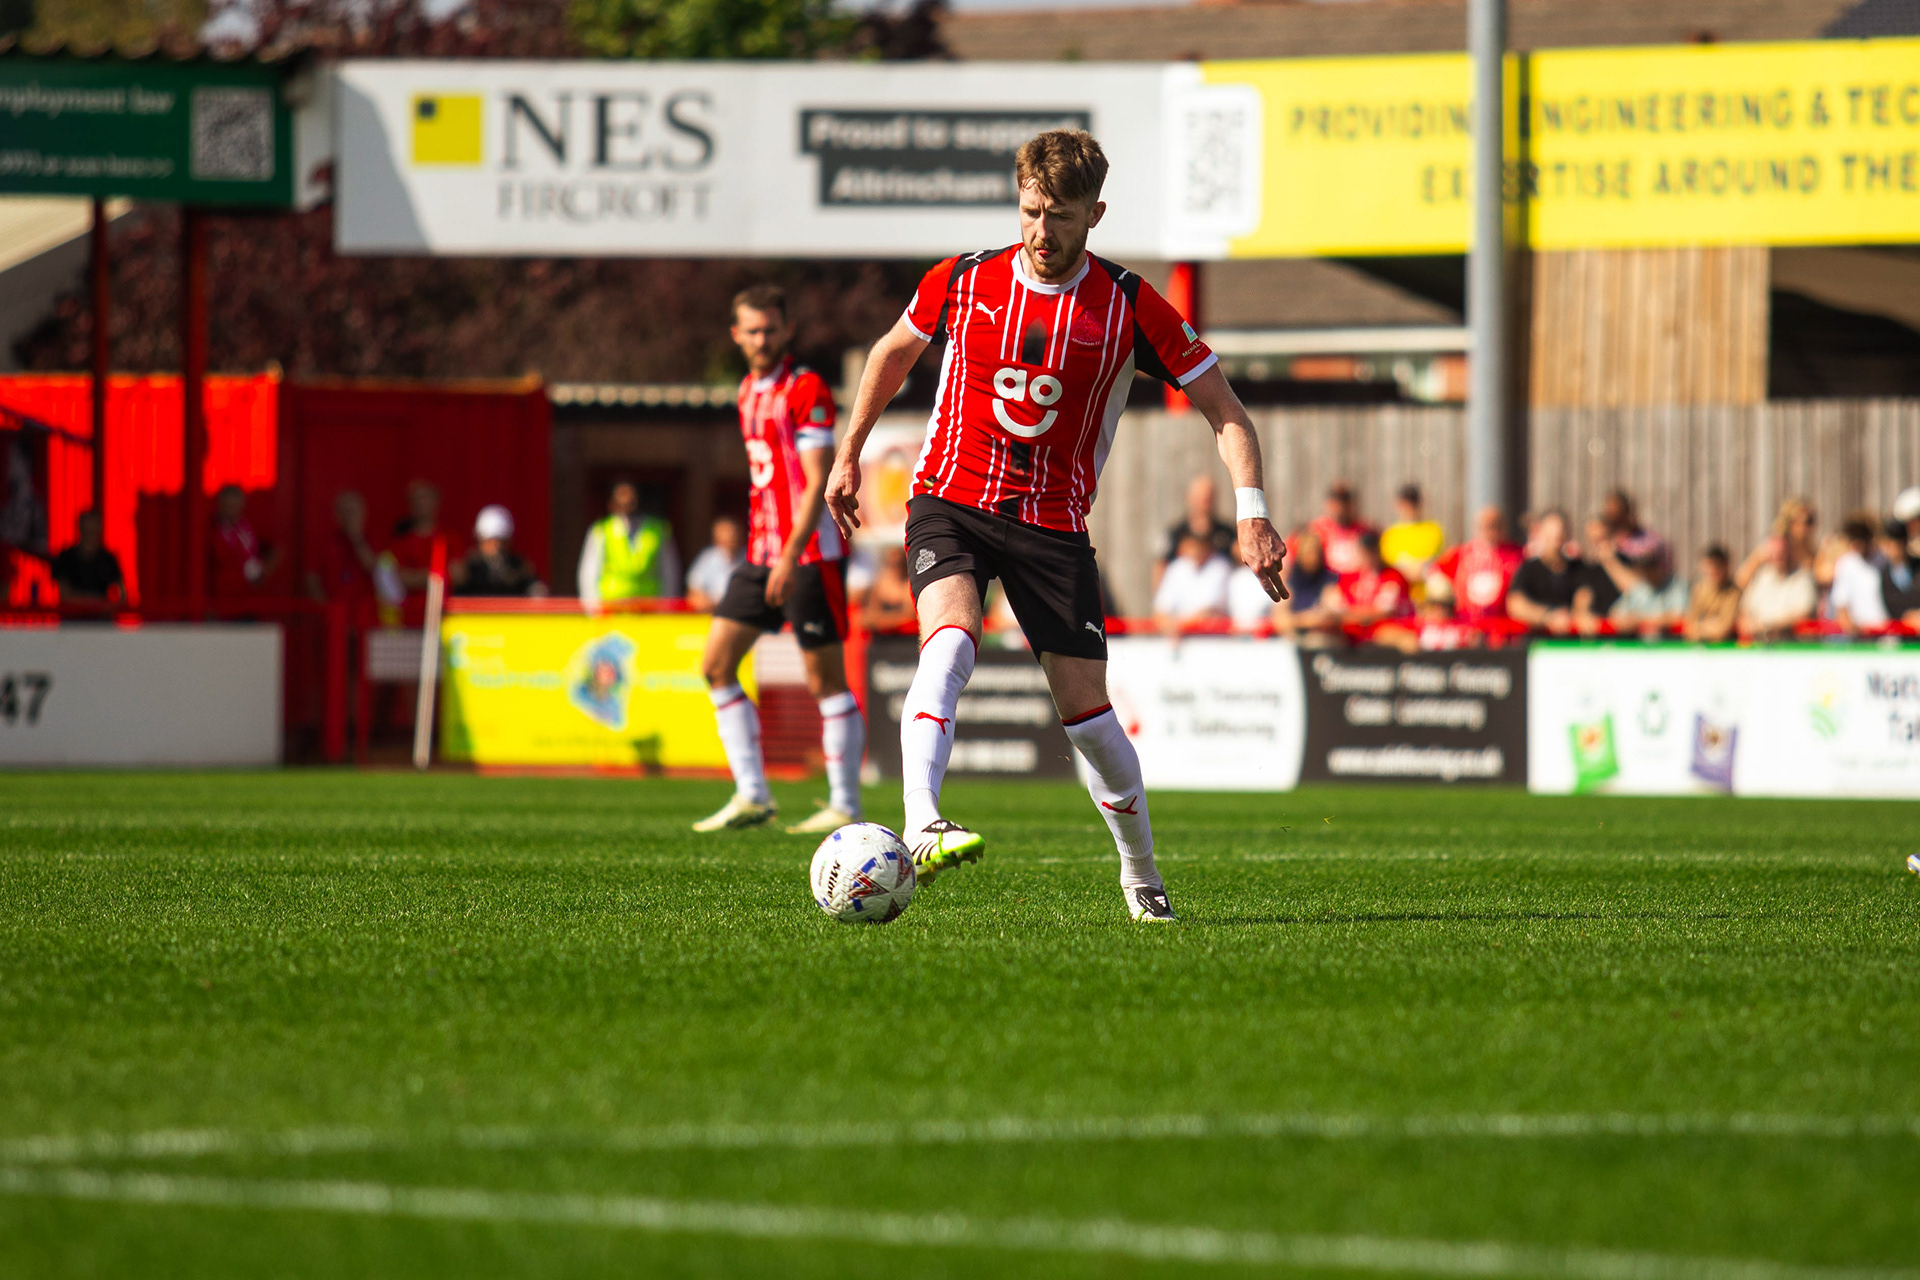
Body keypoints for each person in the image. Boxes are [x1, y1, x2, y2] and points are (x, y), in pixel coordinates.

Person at [821, 128, 1287, 922]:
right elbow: (891, 354)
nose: (1043, 231)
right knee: (950, 640)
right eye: (1032, 211)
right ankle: (922, 821)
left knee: (1091, 721)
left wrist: (1253, 515)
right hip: (951, 499)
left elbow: (1227, 412)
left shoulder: (1131, 306)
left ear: (1094, 214)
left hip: (1051, 525)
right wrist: (848, 452)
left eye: (1062, 216)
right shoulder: (963, 279)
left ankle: (1141, 875)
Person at [693, 283, 866, 836]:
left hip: (808, 554)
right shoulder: (747, 390)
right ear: (736, 335)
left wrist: (790, 556)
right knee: (716, 665)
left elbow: (816, 479)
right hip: (760, 553)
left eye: (771, 329)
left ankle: (845, 804)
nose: (762, 339)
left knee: (825, 681)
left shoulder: (805, 387)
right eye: (752, 330)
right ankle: (752, 794)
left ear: (787, 331)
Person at [577, 481, 682, 608]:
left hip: (649, 609)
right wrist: (593, 607)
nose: (626, 506)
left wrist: (666, 606)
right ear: (612, 504)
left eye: (630, 502)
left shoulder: (657, 530)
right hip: (611, 609)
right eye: (621, 502)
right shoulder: (601, 531)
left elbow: (670, 572)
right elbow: (589, 573)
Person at [1430, 506, 1523, 627]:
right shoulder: (1462, 553)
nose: (1490, 530)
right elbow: (1435, 573)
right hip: (1467, 624)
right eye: (1485, 526)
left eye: (1495, 525)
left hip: (1502, 627)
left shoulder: (1517, 555)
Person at [1320, 531, 1413, 644]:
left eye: (1370, 552)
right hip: (1354, 630)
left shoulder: (1393, 576)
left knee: (1402, 638)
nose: (1367, 556)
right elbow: (1334, 604)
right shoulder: (1350, 577)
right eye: (1364, 552)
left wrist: (1349, 615)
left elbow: (1383, 612)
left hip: (1384, 628)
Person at [1506, 511, 1585, 635]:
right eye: (1551, 536)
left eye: (1559, 536)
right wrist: (1548, 616)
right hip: (1538, 641)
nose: (1555, 542)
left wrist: (1576, 616)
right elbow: (1515, 604)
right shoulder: (1529, 569)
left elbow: (1584, 596)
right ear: (1541, 534)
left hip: (1571, 642)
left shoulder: (1578, 568)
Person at [1154, 474, 1235, 591]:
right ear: (1190, 498)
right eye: (1201, 499)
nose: (1205, 504)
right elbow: (1161, 565)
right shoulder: (1176, 533)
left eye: (1208, 498)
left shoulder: (1226, 533)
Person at [305, 490, 378, 617]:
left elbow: (375, 570)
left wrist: (357, 539)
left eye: (352, 512)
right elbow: (312, 579)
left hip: (365, 615)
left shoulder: (375, 540)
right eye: (344, 512)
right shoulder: (325, 542)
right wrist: (326, 609)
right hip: (334, 615)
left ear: (363, 513)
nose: (348, 517)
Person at [452, 505, 546, 597]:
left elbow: (536, 589)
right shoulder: (467, 569)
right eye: (490, 541)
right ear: (480, 540)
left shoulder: (520, 568)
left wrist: (537, 591)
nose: (497, 547)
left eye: (501, 542)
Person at [1737, 534, 1817, 641]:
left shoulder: (1803, 577)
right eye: (1773, 554)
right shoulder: (1761, 576)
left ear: (1789, 553)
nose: (1777, 558)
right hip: (1760, 642)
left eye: (1781, 554)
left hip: (1791, 642)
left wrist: (1769, 626)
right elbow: (1744, 609)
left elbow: (1803, 614)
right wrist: (1752, 625)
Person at [1152, 529, 1231, 633]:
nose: (1194, 551)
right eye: (1190, 546)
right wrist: (1169, 625)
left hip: (1212, 636)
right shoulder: (1177, 567)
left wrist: (1181, 625)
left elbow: (1211, 609)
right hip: (1179, 635)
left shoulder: (1220, 566)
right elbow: (1161, 608)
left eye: (1197, 546)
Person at [209, 484, 280, 598]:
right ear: (220, 505)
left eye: (235, 505)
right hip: (221, 596)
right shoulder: (212, 530)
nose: (232, 510)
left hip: (250, 595)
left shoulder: (251, 524)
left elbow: (277, 550)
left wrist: (263, 573)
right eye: (228, 506)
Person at [1825, 515, 1888, 635]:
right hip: (1858, 635)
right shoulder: (1846, 563)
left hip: (1884, 631)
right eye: (1853, 538)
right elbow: (1840, 601)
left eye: (1860, 537)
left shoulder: (1883, 560)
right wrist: (1849, 626)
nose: (1856, 543)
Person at [1607, 547, 1689, 637]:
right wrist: (1627, 621)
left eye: (1651, 567)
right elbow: (1615, 615)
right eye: (1644, 568)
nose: (1648, 572)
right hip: (1641, 642)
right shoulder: (1640, 588)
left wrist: (1641, 620)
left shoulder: (1676, 586)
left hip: (1671, 642)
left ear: (1661, 566)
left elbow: (1678, 617)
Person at [1379, 482, 1444, 592]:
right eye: (1405, 503)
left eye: (1413, 502)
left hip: (1425, 596)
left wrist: (1417, 570)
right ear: (1397, 504)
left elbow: (1438, 563)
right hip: (1399, 596)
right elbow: (1385, 568)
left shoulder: (1434, 530)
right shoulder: (1389, 534)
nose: (1409, 507)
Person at [1274, 530, 1338, 640]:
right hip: (1296, 636)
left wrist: (1297, 619)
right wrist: (1305, 619)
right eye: (1308, 553)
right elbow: (1280, 618)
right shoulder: (1292, 579)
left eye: (1316, 553)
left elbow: (1327, 616)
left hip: (1321, 636)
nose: (1313, 558)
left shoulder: (1329, 579)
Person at [50, 510, 123, 606]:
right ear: (80, 529)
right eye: (88, 531)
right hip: (74, 615)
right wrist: (99, 602)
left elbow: (121, 594)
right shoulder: (66, 558)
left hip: (102, 615)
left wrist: (108, 604)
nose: (92, 535)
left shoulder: (108, 559)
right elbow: (65, 595)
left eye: (94, 531)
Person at [1308, 481, 1372, 578]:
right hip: (1326, 581)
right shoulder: (1317, 529)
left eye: (1344, 502)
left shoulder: (1365, 531)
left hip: (1357, 582)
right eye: (1336, 503)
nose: (1340, 508)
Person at [684, 516, 745, 611]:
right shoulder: (708, 558)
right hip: (713, 611)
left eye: (733, 534)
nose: (730, 537)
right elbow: (693, 590)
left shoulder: (747, 558)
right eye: (726, 534)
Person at [1682, 545, 1741, 642]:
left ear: (1726, 566)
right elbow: (1689, 627)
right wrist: (1708, 627)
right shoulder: (1699, 590)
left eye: (1717, 566)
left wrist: (1700, 627)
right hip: (1698, 647)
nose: (1713, 570)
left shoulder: (1733, 592)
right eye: (1710, 566)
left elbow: (1724, 629)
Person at [859, 546, 918, 634]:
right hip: (882, 636)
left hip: (905, 637)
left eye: (898, 564)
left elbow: (910, 617)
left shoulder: (911, 585)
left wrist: (880, 620)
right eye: (891, 563)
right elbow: (866, 618)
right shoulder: (880, 584)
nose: (895, 568)